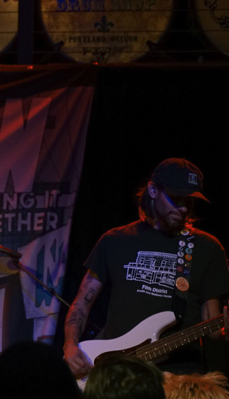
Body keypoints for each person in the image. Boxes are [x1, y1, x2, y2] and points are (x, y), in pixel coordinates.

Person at [64, 158, 229, 377]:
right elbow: (81, 304)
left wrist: (225, 331)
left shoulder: (208, 247)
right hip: (120, 374)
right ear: (152, 190)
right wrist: (70, 345)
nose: (183, 207)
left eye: (189, 200)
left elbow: (213, 325)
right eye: (175, 198)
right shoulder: (114, 240)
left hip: (179, 376)